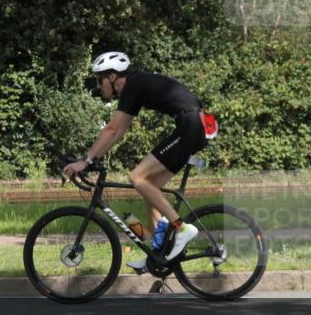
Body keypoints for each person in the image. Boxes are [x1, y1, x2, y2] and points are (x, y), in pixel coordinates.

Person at [62, 52, 207, 270]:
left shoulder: (134, 84)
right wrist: (92, 159)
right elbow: (118, 132)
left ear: (112, 77)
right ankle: (157, 254)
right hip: (195, 125)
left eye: (99, 80)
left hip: (191, 125)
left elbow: (110, 129)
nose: (99, 86)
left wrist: (86, 160)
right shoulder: (135, 89)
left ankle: (181, 228)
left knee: (136, 177)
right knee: (150, 186)